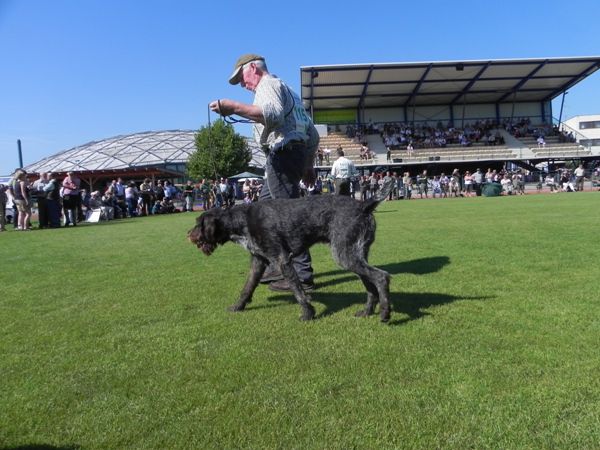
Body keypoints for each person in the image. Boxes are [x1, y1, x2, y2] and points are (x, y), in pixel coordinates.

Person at [210, 53, 318, 292]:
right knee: (262, 210)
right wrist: (308, 165)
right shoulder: (289, 91)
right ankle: (274, 265)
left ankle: (301, 276)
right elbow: (313, 134)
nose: (241, 83)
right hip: (292, 154)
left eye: (241, 76)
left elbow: (272, 114)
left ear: (253, 69)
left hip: (283, 153)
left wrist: (233, 107)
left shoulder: (267, 85)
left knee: (285, 217)